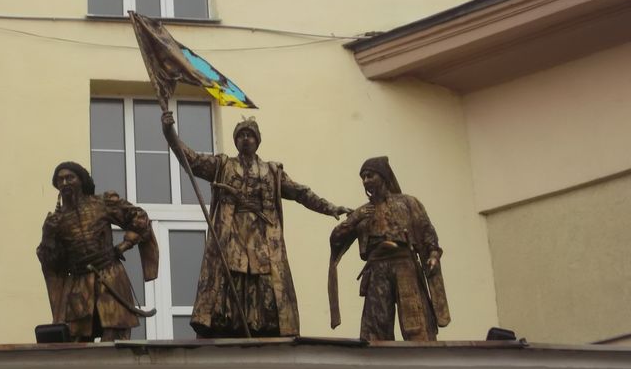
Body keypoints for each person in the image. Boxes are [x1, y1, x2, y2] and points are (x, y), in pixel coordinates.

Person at [162, 111, 350, 337]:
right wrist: (170, 133)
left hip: (262, 237)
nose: (246, 139)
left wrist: (329, 207)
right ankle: (228, 320)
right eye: (241, 135)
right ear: (236, 141)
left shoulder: (272, 171)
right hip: (232, 233)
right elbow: (191, 160)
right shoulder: (223, 165)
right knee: (232, 273)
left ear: (257, 140)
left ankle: (261, 322)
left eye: (250, 135)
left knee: (263, 276)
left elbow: (300, 193)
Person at [329, 156, 449, 341]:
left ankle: (423, 357)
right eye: (363, 177)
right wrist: (355, 218)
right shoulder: (363, 212)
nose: (366, 181)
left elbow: (427, 232)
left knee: (417, 322)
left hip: (405, 265)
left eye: (370, 175)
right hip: (377, 269)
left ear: (383, 176)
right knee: (376, 328)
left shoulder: (408, 203)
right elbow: (336, 238)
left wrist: (433, 254)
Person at [37, 161, 158, 342]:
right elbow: (53, 264)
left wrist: (125, 244)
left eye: (69, 178)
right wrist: (48, 236)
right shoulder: (56, 220)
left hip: (110, 277)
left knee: (115, 335)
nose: (64, 183)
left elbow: (140, 219)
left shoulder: (102, 203)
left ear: (81, 180)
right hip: (78, 286)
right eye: (60, 180)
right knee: (76, 340)